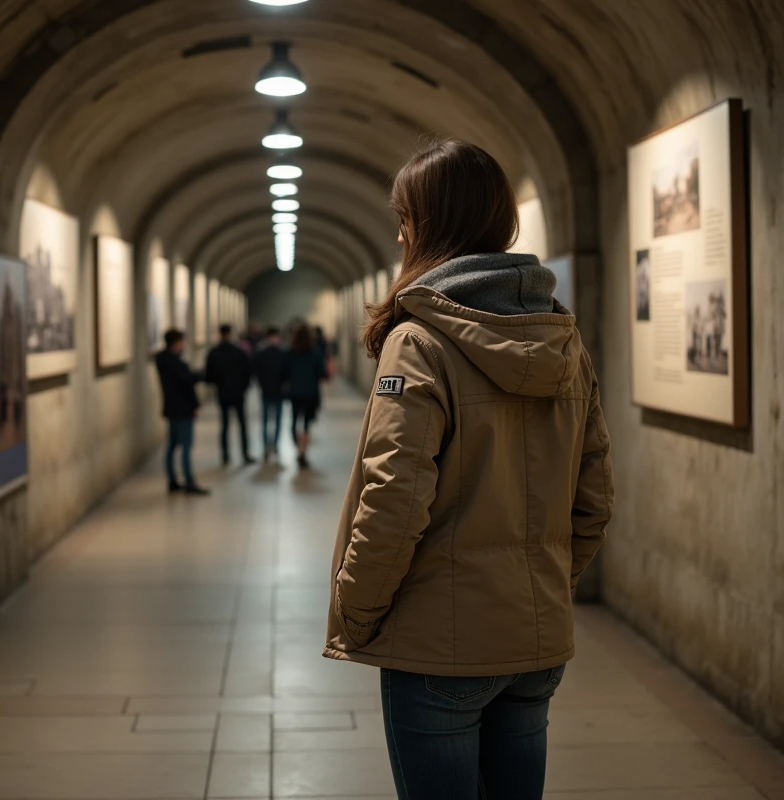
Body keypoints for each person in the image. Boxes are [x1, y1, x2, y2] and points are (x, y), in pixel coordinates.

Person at [323, 138, 613, 800]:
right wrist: (541, 585)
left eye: (404, 217)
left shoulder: (418, 339)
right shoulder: (563, 337)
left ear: (426, 224)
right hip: (534, 640)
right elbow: (594, 495)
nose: (398, 233)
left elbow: (394, 496)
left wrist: (358, 610)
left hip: (436, 646)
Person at [155, 329, 209, 495]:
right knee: (185, 446)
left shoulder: (163, 360)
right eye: (181, 342)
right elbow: (187, 383)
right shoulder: (175, 363)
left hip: (172, 408)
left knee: (172, 445)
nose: (183, 345)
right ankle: (189, 482)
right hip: (183, 409)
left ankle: (172, 480)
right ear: (176, 342)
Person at [205, 324, 255, 466]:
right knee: (242, 424)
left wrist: (219, 384)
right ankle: (245, 454)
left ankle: (225, 456)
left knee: (225, 425)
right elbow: (248, 372)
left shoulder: (214, 353)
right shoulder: (239, 352)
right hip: (238, 393)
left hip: (223, 393)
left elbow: (209, 377)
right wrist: (243, 388)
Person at [284, 324, 327, 469]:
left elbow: (284, 373)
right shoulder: (315, 353)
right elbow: (322, 373)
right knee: (307, 424)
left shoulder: (289, 353)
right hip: (311, 393)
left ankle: (298, 446)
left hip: (295, 393)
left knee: (294, 421)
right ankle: (302, 452)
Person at [252, 326, 287, 462]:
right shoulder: (274, 353)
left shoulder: (276, 353)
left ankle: (274, 445)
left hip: (275, 392)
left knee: (275, 420)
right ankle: (268, 447)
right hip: (268, 391)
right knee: (268, 421)